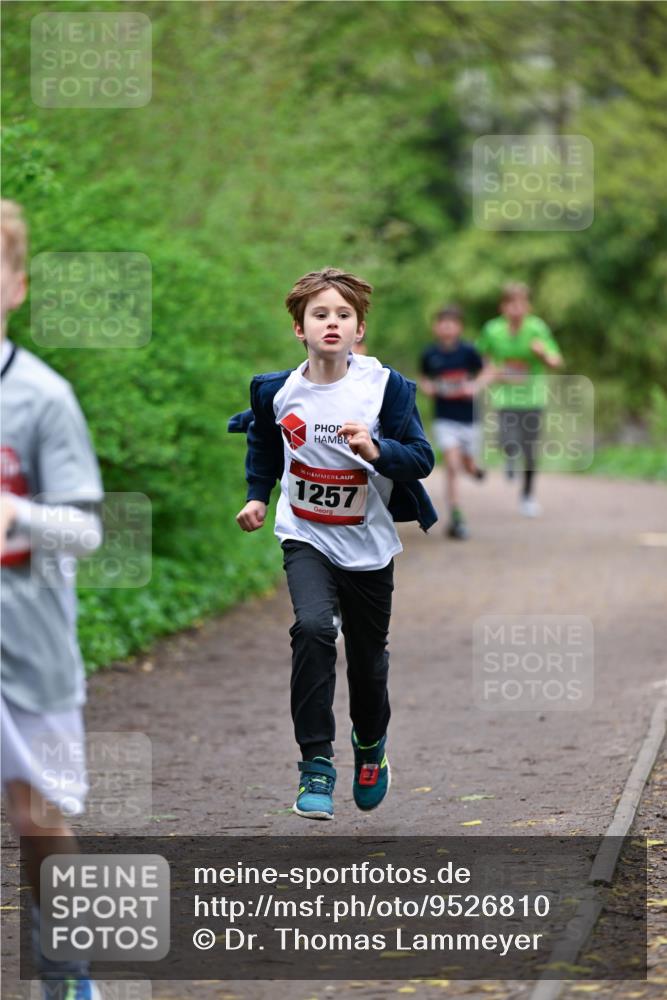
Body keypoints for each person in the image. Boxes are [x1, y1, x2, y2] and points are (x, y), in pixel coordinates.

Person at [231, 267, 436, 820]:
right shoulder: (278, 390)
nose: (331, 323)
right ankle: (315, 764)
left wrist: (375, 450)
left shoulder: (384, 388)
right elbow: (265, 447)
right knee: (315, 628)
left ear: (358, 329)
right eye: (319, 314)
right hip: (305, 534)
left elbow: (421, 458)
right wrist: (257, 495)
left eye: (342, 315)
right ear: (299, 327)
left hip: (367, 544)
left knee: (368, 663)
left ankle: (370, 745)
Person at [1, 200, 104, 999]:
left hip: (27, 647)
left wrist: (17, 513)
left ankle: (67, 972)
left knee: (38, 821)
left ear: (17, 284)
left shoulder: (42, 396)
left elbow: (88, 533)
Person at [477, 283, 563, 517]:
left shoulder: (537, 329)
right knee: (507, 437)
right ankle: (510, 455)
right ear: (502, 307)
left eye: (521, 304)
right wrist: (490, 370)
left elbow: (557, 361)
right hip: (504, 397)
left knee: (531, 449)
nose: (516, 309)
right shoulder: (492, 330)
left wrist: (542, 354)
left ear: (528, 306)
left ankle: (527, 495)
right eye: (511, 304)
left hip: (533, 396)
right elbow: (479, 357)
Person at [419, 305, 490, 540]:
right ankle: (456, 516)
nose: (447, 328)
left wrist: (475, 386)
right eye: (442, 323)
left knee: (467, 464)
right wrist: (428, 387)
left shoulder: (468, 351)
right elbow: (423, 378)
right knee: (451, 465)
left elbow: (486, 371)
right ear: (435, 327)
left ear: (459, 327)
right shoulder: (430, 355)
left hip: (469, 419)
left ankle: (474, 468)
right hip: (445, 419)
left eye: (452, 323)